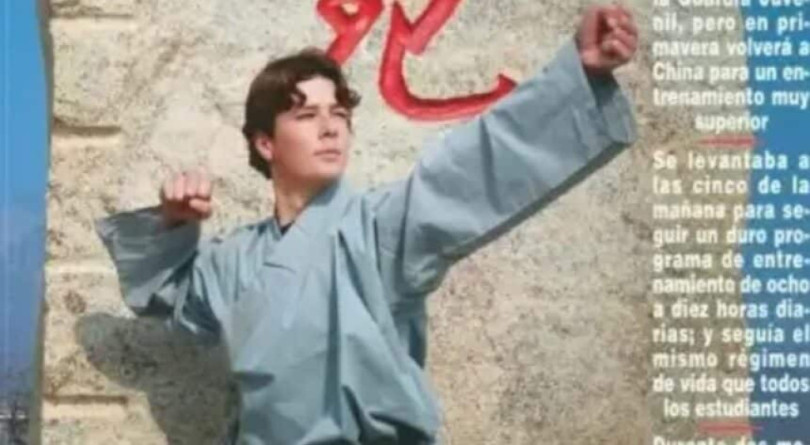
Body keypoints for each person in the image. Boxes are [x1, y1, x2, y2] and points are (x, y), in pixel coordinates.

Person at [95, 3, 639, 444]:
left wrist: (578, 74)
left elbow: (468, 170)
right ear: (265, 143)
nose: (330, 127)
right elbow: (170, 299)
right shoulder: (232, 260)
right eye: (307, 115)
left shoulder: (379, 231)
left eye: (339, 114)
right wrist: (171, 224)